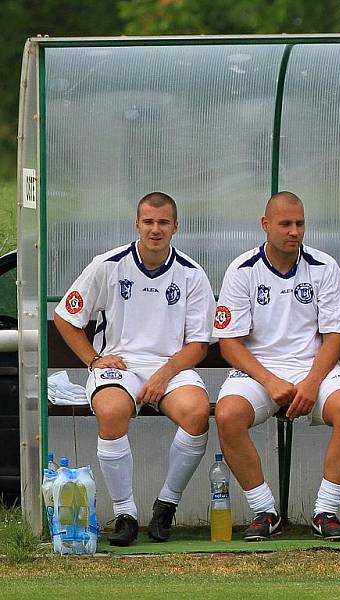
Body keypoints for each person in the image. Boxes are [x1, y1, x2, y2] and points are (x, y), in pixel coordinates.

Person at [54, 192, 215, 546]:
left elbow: (199, 345)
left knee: (197, 413)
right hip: (119, 364)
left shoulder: (191, 273)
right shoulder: (107, 264)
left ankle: (166, 506)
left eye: (163, 223)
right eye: (148, 222)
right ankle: (125, 514)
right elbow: (65, 317)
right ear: (137, 224)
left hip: (170, 366)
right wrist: (93, 360)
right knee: (111, 412)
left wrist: (163, 374)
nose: (155, 230)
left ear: (175, 226)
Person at [213, 191, 340, 541]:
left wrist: (312, 382)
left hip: (314, 368)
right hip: (258, 371)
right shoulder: (242, 269)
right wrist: (269, 381)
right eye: (285, 224)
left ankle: (325, 511)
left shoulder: (324, 266)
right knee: (228, 414)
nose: (294, 231)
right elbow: (229, 343)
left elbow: (335, 337)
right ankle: (264, 511)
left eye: (299, 224)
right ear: (266, 225)